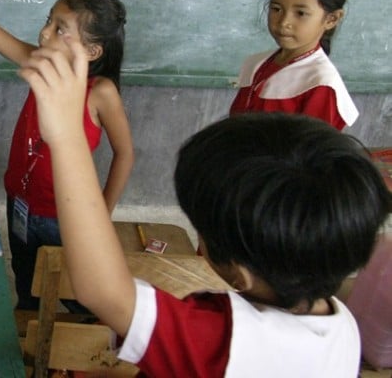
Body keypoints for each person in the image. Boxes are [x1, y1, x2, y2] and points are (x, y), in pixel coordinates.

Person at [20, 40, 391, 377]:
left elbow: (101, 291)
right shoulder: (342, 329)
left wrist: (67, 134)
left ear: (240, 274)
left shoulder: (220, 345)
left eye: (203, 229)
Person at [0, 0, 134, 310]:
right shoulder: (40, 63)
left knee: (80, 299)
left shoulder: (101, 93)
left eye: (60, 29)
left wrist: (101, 214)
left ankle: (80, 361)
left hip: (69, 216)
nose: (44, 34)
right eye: (49, 20)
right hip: (21, 200)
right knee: (27, 286)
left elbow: (125, 153)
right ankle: (28, 346)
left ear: (92, 51)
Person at [230, 0, 358, 129]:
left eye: (300, 13)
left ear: (331, 19)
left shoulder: (321, 84)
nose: (284, 22)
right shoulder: (257, 64)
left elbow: (312, 153)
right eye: (276, 9)